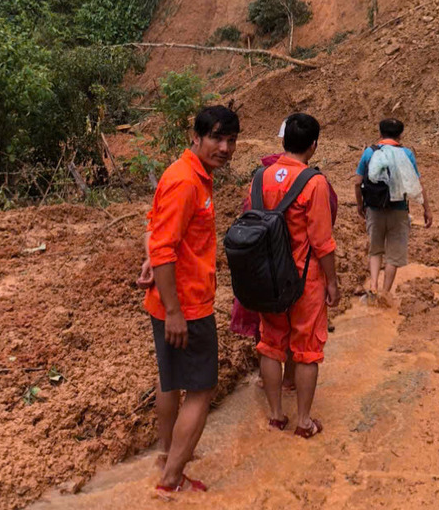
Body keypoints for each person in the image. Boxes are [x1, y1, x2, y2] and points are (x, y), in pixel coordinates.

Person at [136, 105, 240, 496]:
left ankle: (167, 455)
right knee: (201, 389)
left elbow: (154, 230)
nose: (225, 147)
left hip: (169, 301)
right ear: (194, 138)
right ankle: (171, 481)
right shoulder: (187, 182)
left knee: (171, 380)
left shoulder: (186, 174)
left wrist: (151, 261)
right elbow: (164, 249)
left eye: (231, 140)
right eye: (216, 137)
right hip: (186, 305)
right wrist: (177, 311)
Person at [249, 112, 340, 438]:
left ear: (284, 140)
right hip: (305, 279)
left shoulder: (260, 177)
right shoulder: (314, 183)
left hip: (266, 277)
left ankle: (275, 415)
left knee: (271, 343)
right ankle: (303, 421)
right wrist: (332, 282)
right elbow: (322, 241)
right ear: (313, 145)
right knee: (306, 350)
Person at [354, 118, 433, 302]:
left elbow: (357, 183)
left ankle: (373, 285)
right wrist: (426, 209)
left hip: (373, 209)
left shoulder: (369, 152)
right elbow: (417, 183)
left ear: (380, 133)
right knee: (393, 254)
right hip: (399, 210)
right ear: (400, 135)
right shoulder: (406, 154)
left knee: (375, 250)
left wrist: (360, 205)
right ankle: (385, 293)